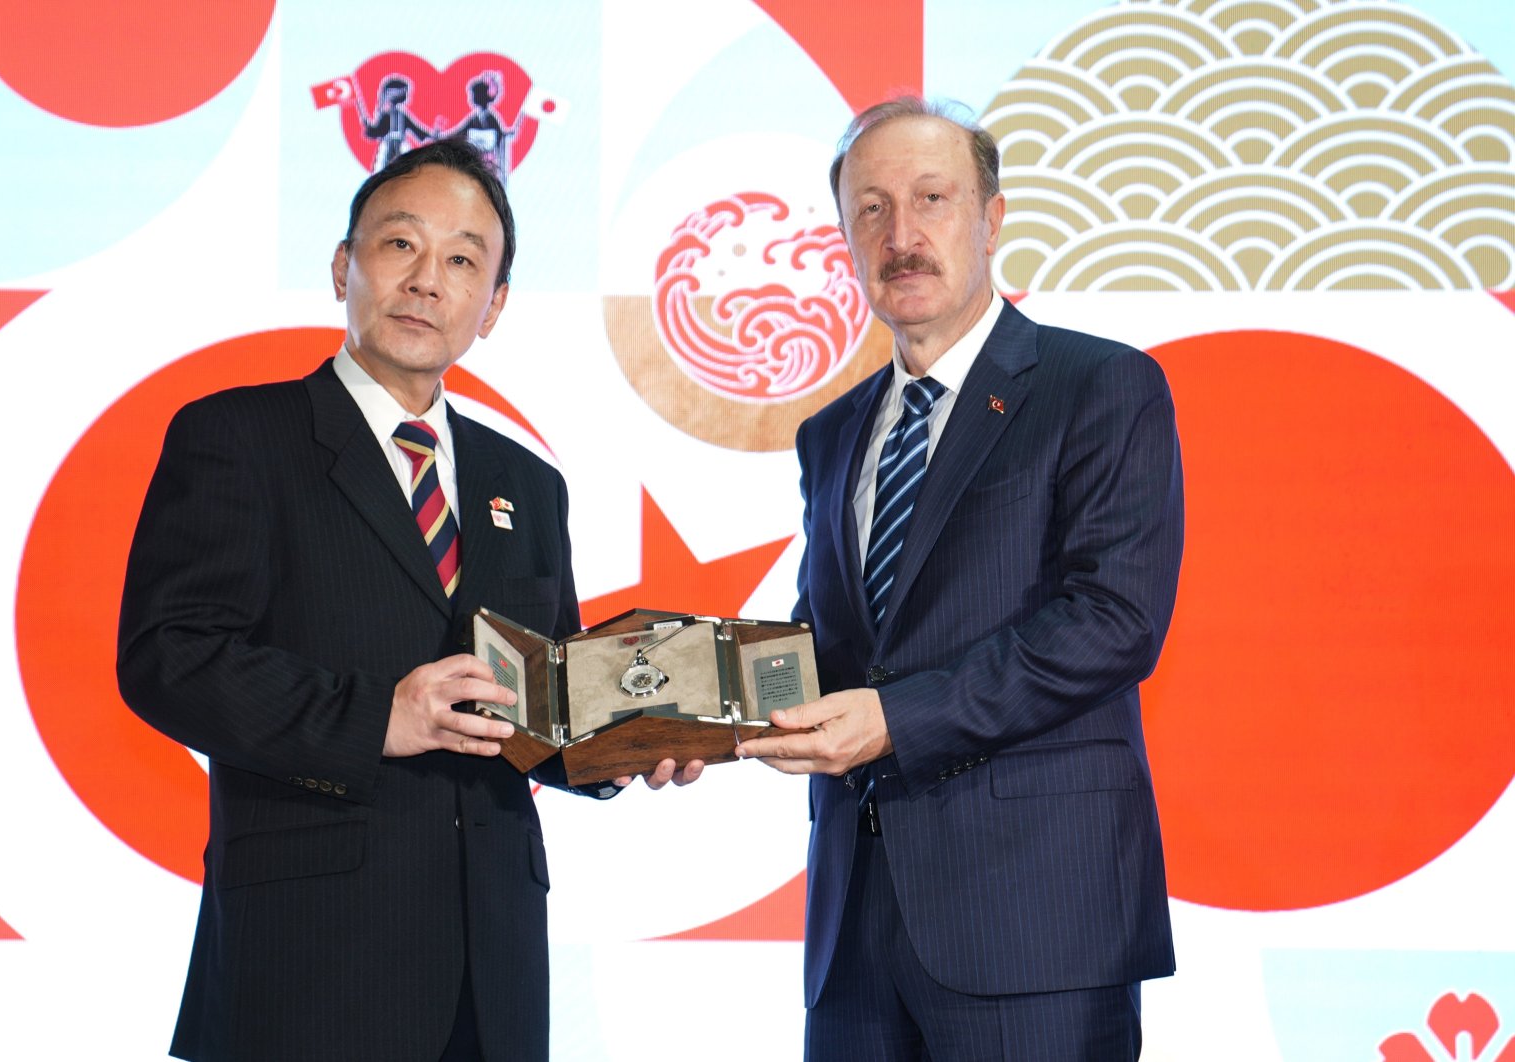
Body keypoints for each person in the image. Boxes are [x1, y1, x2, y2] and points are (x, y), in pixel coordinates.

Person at [117, 137, 699, 1062]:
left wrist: (624, 744)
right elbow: (168, 656)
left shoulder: (529, 483)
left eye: (464, 260)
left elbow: (535, 713)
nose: (430, 280)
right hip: (308, 960)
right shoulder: (239, 435)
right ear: (345, 265)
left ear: (493, 306)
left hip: (494, 971)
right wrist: (375, 717)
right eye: (401, 246)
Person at [737, 97, 1184, 1061]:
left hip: (1036, 926)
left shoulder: (1101, 386)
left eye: (931, 199)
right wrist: (696, 712)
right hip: (855, 931)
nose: (901, 236)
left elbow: (1113, 621)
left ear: (992, 218)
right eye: (870, 209)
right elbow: (827, 642)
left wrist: (898, 719)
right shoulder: (833, 434)